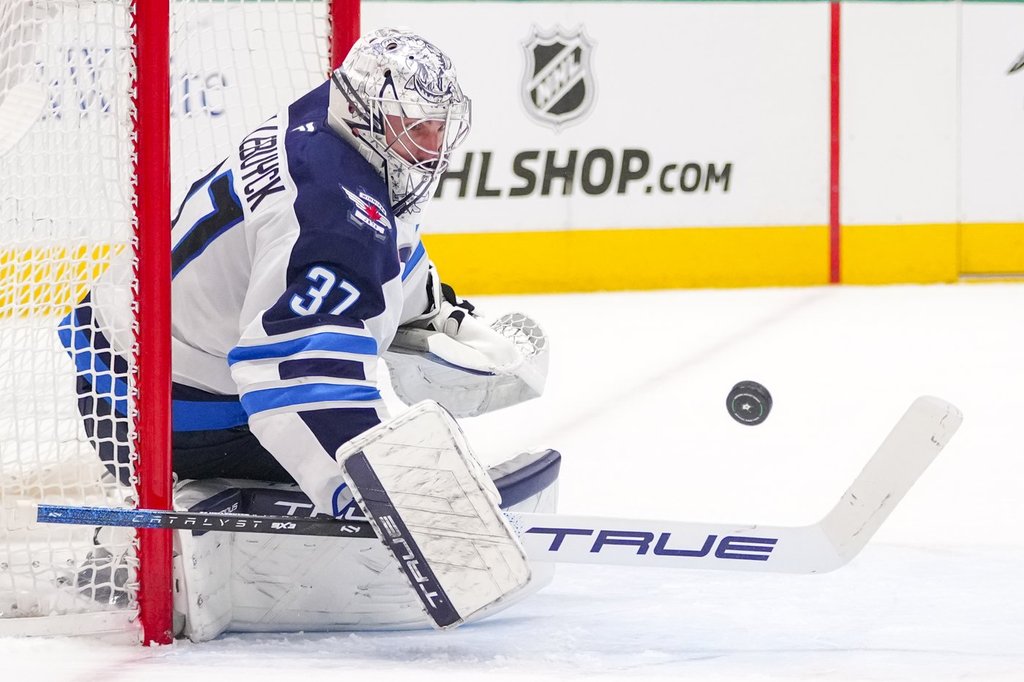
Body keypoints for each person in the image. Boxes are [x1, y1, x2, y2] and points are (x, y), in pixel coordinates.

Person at [58, 27, 549, 518]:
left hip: (127, 351)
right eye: (417, 128)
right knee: (362, 445)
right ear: (368, 115)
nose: (431, 147)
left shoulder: (330, 122)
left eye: (440, 128)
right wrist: (381, 496)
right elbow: (291, 373)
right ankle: (183, 512)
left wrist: (427, 312)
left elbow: (376, 234)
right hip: (151, 414)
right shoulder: (334, 214)